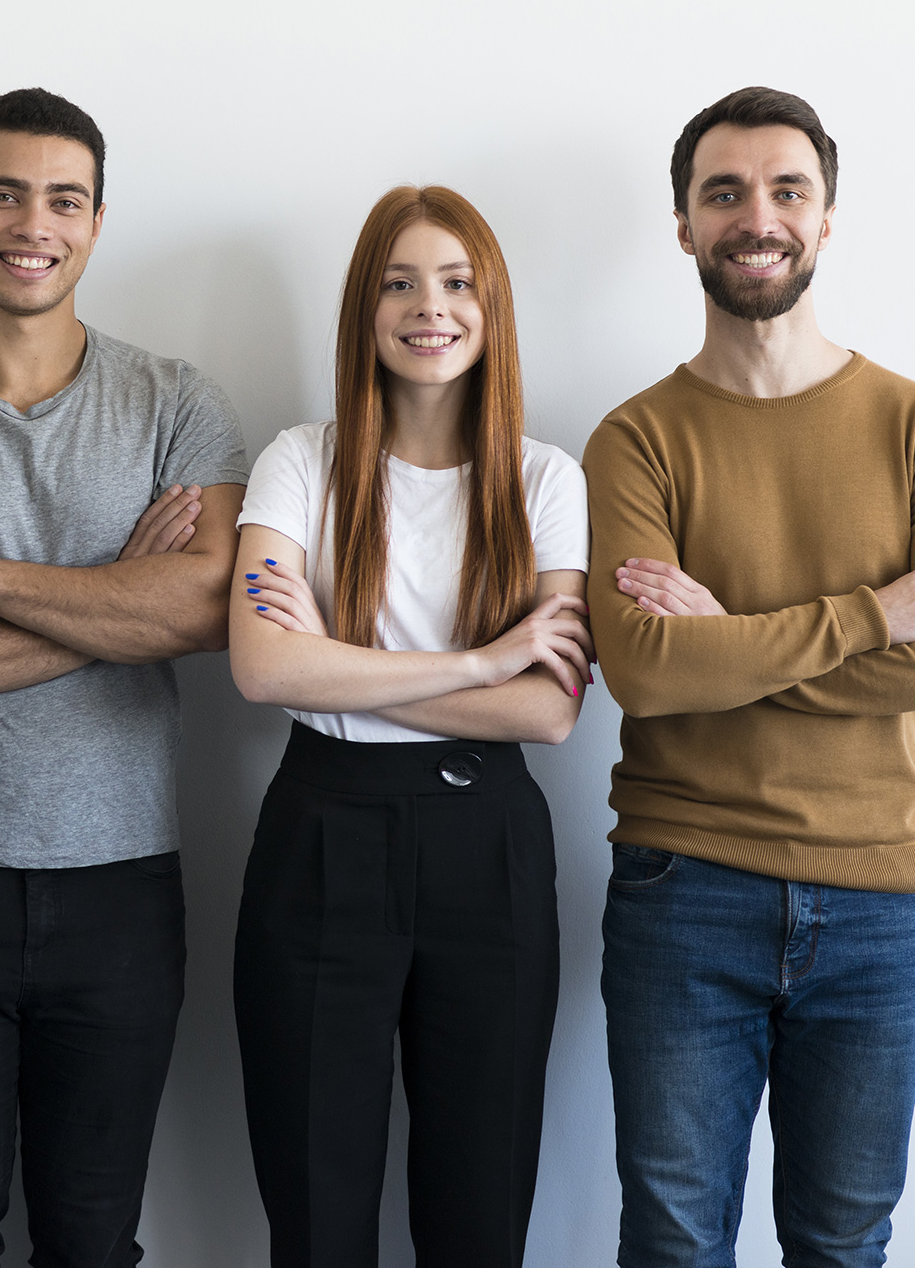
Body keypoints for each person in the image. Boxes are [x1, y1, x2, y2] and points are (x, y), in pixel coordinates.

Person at [585, 86, 915, 1267]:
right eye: (722, 192)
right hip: (684, 891)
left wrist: (735, 637)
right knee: (672, 1242)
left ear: (826, 221)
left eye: (785, 191)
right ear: (681, 224)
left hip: (877, 898)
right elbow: (646, 672)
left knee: (841, 1243)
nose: (754, 215)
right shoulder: (636, 438)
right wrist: (874, 616)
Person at [0, 87, 251, 1268]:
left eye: (63, 199)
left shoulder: (174, 401)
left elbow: (204, 606)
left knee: (92, 1245)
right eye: (6, 193)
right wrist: (110, 596)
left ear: (96, 221)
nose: (34, 222)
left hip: (121, 885)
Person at [227, 185, 590, 1267]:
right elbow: (259, 664)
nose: (426, 307)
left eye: (453, 281)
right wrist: (478, 659)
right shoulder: (300, 460)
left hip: (491, 853)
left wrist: (334, 669)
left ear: (489, 307)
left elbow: (547, 709)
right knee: (315, 1211)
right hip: (321, 837)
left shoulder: (544, 478)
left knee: (478, 1220)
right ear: (362, 308)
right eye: (396, 282)